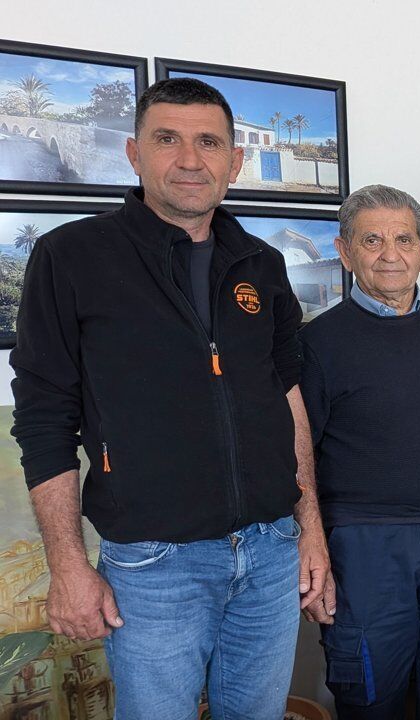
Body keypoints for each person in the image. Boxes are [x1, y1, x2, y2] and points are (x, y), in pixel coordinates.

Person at [9, 77, 328, 719]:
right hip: (155, 564)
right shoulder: (71, 257)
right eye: (167, 139)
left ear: (234, 161)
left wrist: (309, 530)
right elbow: (44, 418)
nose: (189, 159)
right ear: (134, 153)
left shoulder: (261, 263)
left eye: (208, 142)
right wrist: (68, 564)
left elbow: (286, 397)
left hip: (270, 550)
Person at [299, 184, 420, 718]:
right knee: (369, 692)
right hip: (363, 542)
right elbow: (299, 454)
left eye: (404, 239)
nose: (391, 254)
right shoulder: (318, 342)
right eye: (372, 240)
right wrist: (312, 545)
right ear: (344, 251)